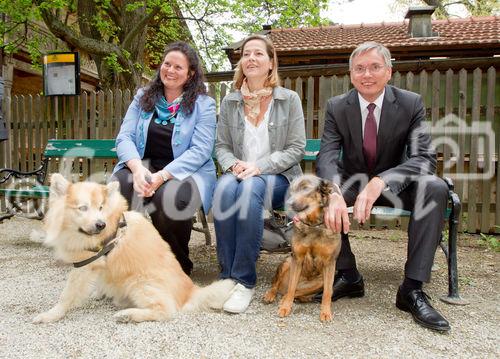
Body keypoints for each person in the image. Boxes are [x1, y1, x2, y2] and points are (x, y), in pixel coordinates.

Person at [316, 42, 451, 332]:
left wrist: (382, 180)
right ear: (351, 75)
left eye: (375, 67)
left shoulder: (410, 103)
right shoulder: (337, 107)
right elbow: (327, 155)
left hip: (396, 184)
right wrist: (334, 191)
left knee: (436, 187)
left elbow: (425, 158)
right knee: (321, 195)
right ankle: (348, 275)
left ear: (388, 72)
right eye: (360, 68)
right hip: (353, 181)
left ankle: (411, 290)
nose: (367, 74)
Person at [213, 35, 306, 314]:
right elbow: (222, 146)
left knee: (250, 189)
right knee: (223, 190)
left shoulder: (288, 100)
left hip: (277, 176)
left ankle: (244, 281)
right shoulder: (230, 102)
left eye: (258, 54)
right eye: (246, 54)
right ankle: (226, 277)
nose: (251, 58)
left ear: (270, 63)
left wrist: (260, 167)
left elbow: (296, 148)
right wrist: (233, 165)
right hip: (239, 172)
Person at [112, 41, 216, 275]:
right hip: (142, 166)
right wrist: (137, 169)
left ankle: (176, 268)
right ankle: (118, 265)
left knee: (169, 199)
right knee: (116, 190)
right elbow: (124, 137)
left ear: (190, 74)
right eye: (167, 64)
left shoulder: (203, 105)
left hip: (185, 171)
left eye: (178, 67)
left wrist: (161, 176)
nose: (170, 70)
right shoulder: (143, 97)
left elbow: (200, 150)